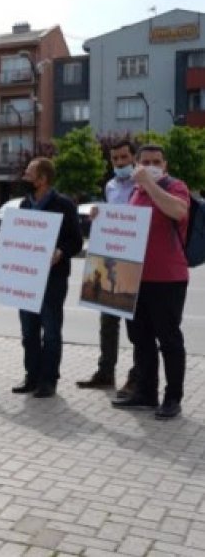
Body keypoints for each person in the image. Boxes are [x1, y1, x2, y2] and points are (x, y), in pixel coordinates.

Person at [111, 144, 190, 420]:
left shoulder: (175, 187)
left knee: (168, 339)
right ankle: (146, 393)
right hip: (135, 277)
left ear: (165, 165)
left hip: (167, 278)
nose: (151, 165)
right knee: (140, 338)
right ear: (138, 164)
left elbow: (178, 212)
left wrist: (150, 184)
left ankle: (173, 397)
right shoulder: (136, 192)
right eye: (145, 162)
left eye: (157, 161)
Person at [13, 158, 83, 398]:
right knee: (28, 331)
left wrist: (60, 252)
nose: (24, 177)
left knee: (51, 331)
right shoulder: (24, 204)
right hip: (26, 277)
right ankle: (31, 376)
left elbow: (76, 240)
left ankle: (48, 380)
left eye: (29, 174)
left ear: (42, 179)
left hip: (52, 279)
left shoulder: (63, 204)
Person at [76, 140, 138, 393]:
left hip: (137, 259)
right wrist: (98, 218)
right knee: (107, 321)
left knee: (136, 326)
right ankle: (105, 372)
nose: (120, 163)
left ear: (134, 157)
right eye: (115, 159)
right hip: (113, 257)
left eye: (124, 157)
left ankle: (137, 377)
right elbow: (112, 217)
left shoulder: (143, 184)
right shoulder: (110, 186)